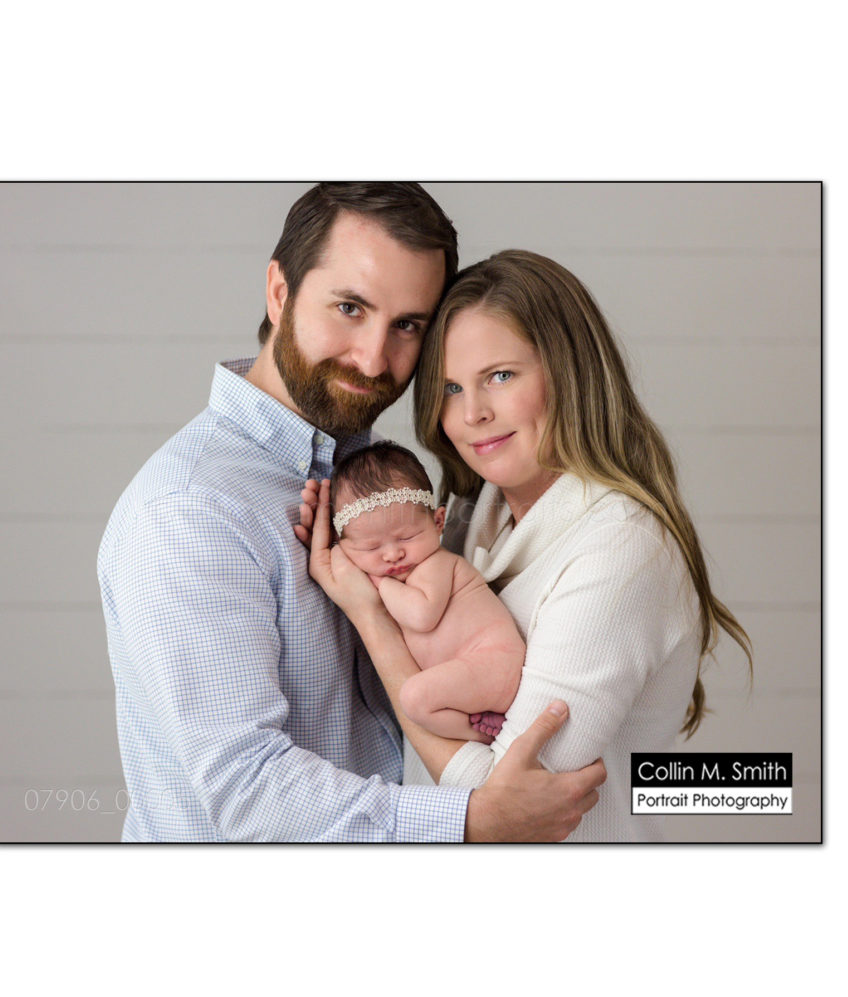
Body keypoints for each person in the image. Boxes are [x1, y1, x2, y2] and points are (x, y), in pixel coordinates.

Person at [97, 183, 605, 842]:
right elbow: (246, 791)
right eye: (349, 308)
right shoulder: (192, 511)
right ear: (279, 292)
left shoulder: (374, 472)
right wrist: (471, 819)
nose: (373, 359)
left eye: (407, 326)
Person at [305, 248, 752, 842]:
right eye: (451, 387)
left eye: (501, 376)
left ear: (568, 374)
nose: (472, 414)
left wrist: (368, 615)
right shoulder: (468, 518)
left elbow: (504, 804)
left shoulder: (621, 550)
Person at [325, 440, 524, 741]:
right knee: (417, 701)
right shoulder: (402, 579)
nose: (392, 555)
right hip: (470, 675)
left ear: (437, 522)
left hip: (494, 662)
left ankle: (490, 737)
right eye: (371, 547)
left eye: (406, 537)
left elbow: (421, 616)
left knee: (414, 698)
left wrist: (380, 582)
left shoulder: (437, 565)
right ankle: (485, 726)